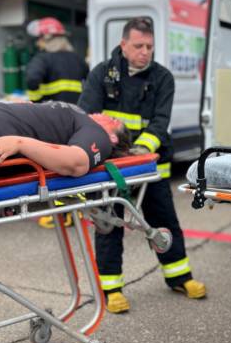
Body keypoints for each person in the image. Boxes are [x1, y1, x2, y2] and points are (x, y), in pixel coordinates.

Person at [78, 17, 206, 313]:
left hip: (150, 165)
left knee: (164, 221)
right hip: (110, 168)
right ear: (123, 45)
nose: (145, 51)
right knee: (109, 224)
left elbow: (161, 124)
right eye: (138, 45)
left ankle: (179, 276)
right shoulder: (102, 75)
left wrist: (140, 151)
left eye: (149, 46)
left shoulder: (163, 78)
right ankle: (112, 290)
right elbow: (88, 118)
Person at [0, 101, 130, 174]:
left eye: (113, 120)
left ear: (113, 138)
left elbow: (77, 162)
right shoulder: (82, 117)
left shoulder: (99, 135)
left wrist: (20, 143)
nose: (105, 115)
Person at [25, 17, 89, 104]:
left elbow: (32, 80)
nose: (37, 43)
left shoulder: (43, 59)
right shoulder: (79, 59)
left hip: (50, 112)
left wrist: (36, 101)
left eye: (39, 38)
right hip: (76, 112)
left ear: (47, 38)